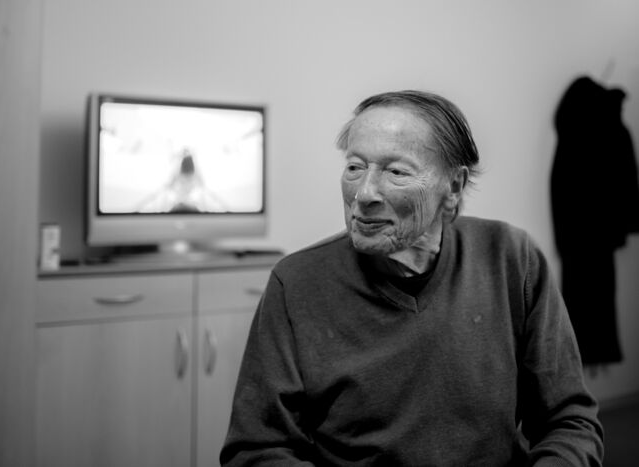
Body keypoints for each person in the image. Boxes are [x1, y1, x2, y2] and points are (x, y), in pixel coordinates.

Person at [220, 90, 603, 466]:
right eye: (355, 167)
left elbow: (569, 422)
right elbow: (257, 449)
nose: (363, 194)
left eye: (396, 171)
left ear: (453, 187)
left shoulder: (511, 259)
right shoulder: (297, 283)